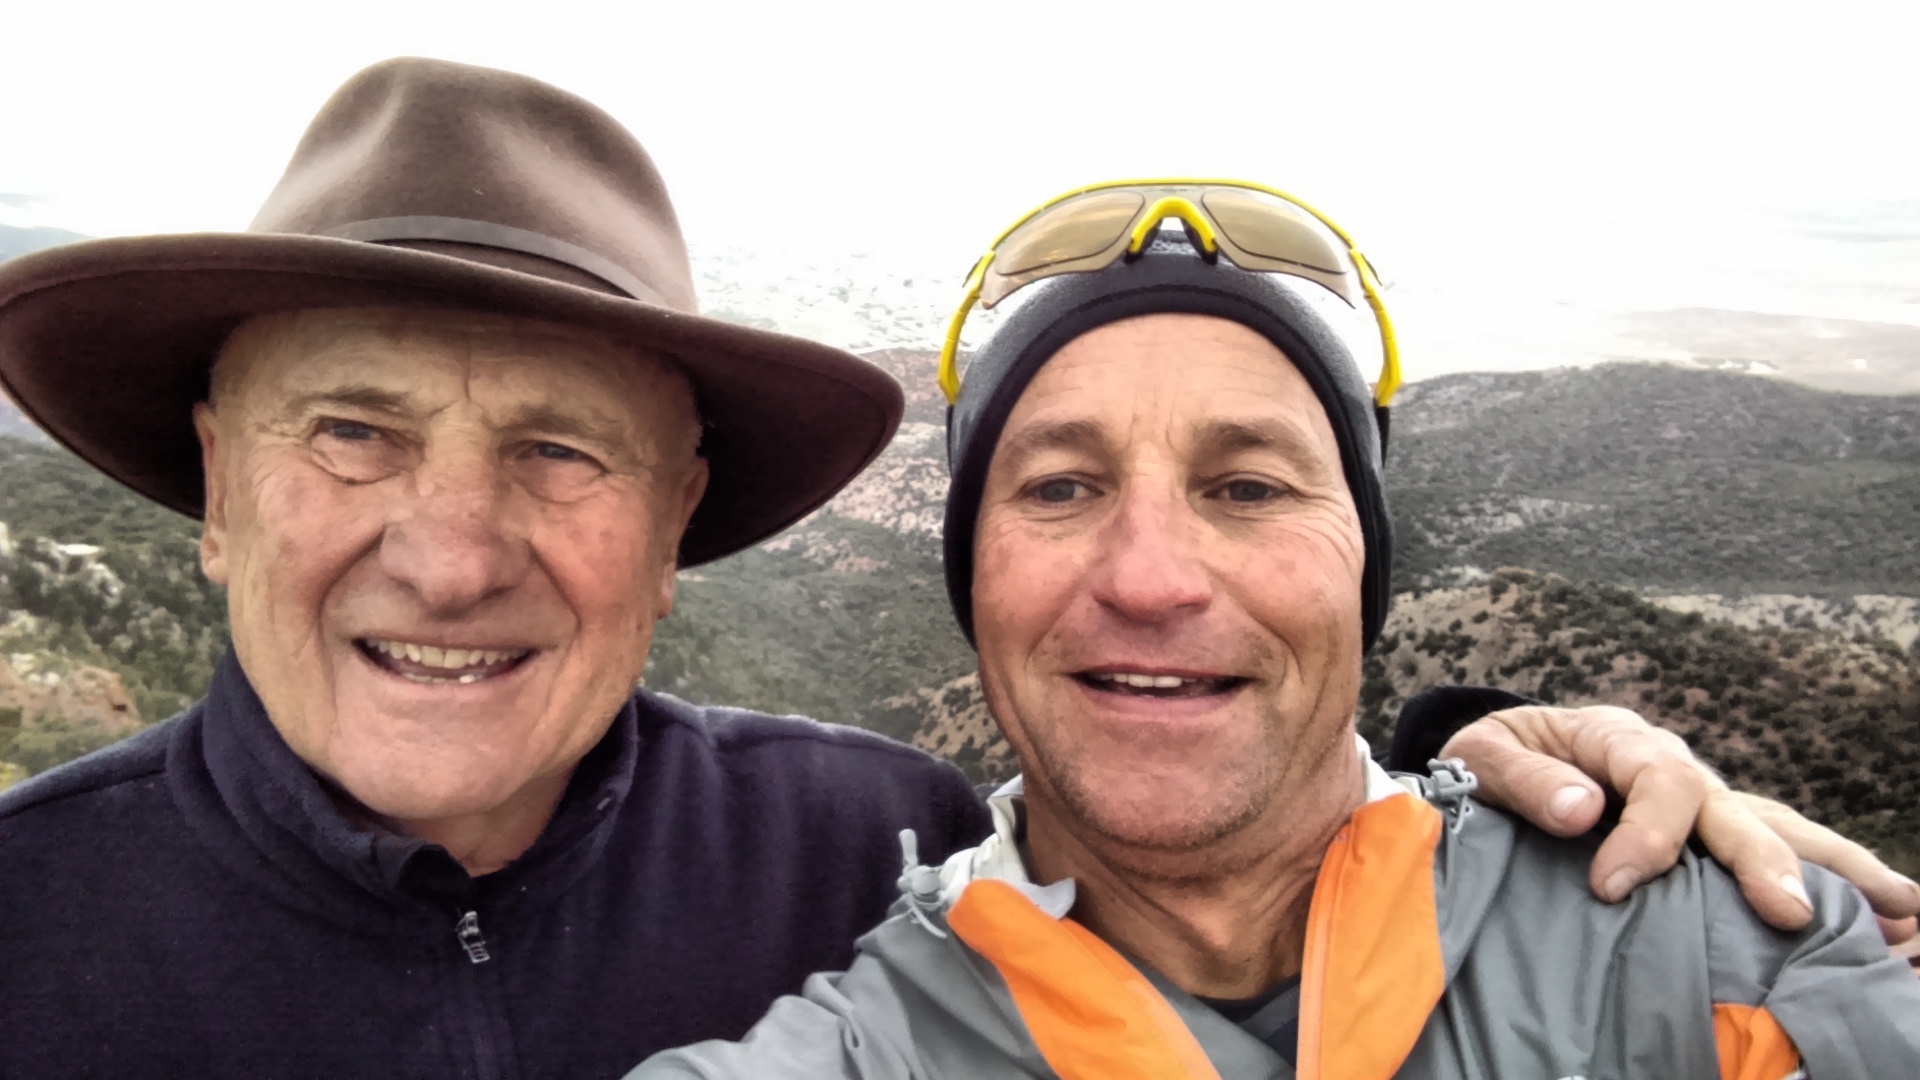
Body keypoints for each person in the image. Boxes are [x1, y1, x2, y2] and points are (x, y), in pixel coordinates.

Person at [0, 61, 1905, 1079]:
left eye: (561, 450)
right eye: (350, 429)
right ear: (216, 490)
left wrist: (1504, 770)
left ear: (671, 535)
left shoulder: (859, 837)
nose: (446, 551)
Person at [629, 181, 1920, 1079]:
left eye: (1248, 488)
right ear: (973, 577)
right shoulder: (860, 1052)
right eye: (1061, 488)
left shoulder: (1702, 953)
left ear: (1365, 568)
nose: (1151, 579)